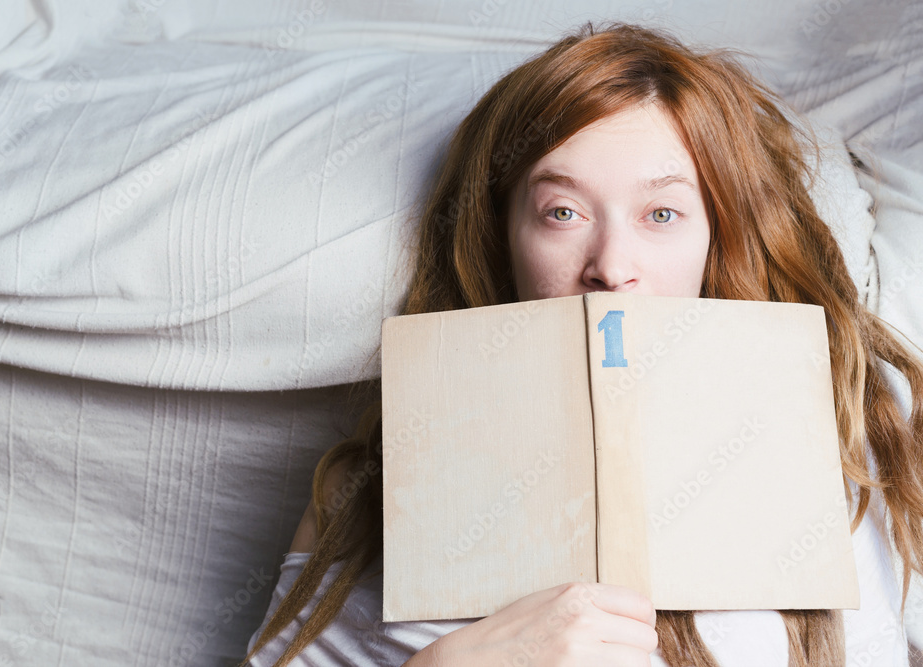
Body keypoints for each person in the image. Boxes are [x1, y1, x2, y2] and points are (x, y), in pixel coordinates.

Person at [244, 21, 923, 667]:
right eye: (563, 212)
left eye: (661, 213)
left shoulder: (848, 439)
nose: (611, 263)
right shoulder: (366, 486)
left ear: (718, 236)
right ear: (501, 235)